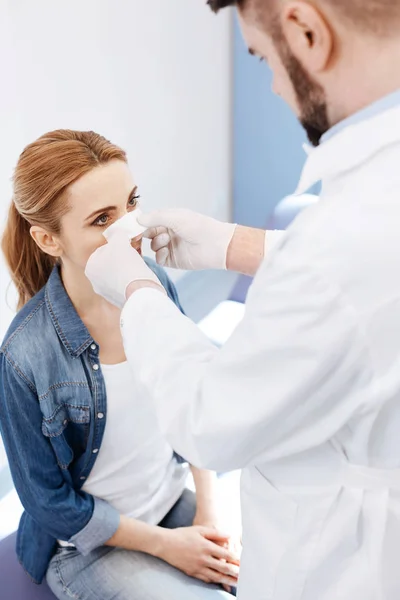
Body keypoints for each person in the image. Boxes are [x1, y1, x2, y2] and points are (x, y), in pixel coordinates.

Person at [85, 1, 400, 599]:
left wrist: (141, 293)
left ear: (308, 32)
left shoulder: (340, 245)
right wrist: (236, 246)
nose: (277, 88)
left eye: (261, 60)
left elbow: (209, 422)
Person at [0, 129, 242, 600]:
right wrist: (170, 547)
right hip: (91, 549)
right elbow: (48, 503)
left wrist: (209, 514)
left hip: (172, 503)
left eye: (131, 205)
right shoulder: (24, 355)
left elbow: (189, 392)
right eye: (102, 218)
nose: (131, 230)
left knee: (283, 579)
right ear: (49, 239)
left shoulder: (151, 284)